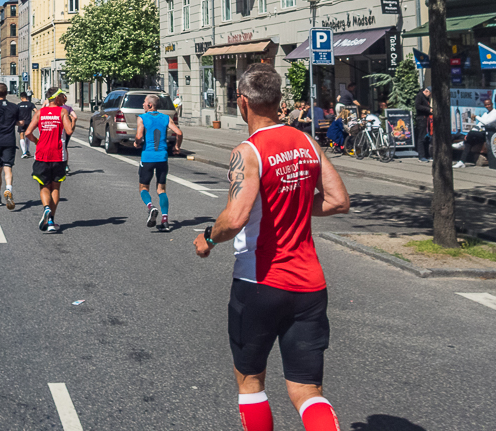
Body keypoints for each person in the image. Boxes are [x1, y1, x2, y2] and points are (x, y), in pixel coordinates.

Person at [193, 65, 349, 431]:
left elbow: (235, 219)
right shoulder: (307, 141)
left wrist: (208, 239)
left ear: (242, 102)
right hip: (310, 286)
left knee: (250, 383)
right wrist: (293, 201)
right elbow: (339, 201)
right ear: (279, 102)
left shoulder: (248, 152)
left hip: (260, 283)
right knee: (307, 390)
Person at [24, 87, 74, 232]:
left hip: (42, 153)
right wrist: (73, 120)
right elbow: (69, 131)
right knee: (55, 187)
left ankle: (46, 208)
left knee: (44, 186)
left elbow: (27, 132)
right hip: (58, 154)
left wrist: (36, 141)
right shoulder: (62, 112)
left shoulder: (40, 113)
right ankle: (51, 220)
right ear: (57, 99)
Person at [135, 94, 180, 231]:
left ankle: (151, 207)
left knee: (143, 187)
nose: (142, 104)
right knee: (161, 190)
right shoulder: (166, 118)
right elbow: (179, 132)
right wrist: (177, 147)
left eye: (144, 102)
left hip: (148, 157)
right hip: (162, 158)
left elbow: (139, 136)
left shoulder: (142, 118)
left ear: (150, 105)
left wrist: (136, 143)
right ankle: (165, 220)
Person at [455, 96, 496, 168]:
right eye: (486, 105)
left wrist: (476, 116)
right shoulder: (486, 113)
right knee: (469, 142)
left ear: (492, 104)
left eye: (489, 104)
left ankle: (462, 143)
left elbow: (486, 122)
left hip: (490, 135)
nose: (487, 106)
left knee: (471, 135)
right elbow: (480, 124)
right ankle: (462, 162)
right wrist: (473, 130)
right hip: (482, 133)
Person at [15, 90, 36, 159]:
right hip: (29, 122)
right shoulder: (31, 104)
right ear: (27, 97)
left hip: (21, 122)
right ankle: (27, 150)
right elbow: (36, 111)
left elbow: (15, 113)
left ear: (21, 97)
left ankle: (24, 152)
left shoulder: (18, 105)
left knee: (21, 135)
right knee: (27, 135)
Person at [414, 86, 432, 163]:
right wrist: (428, 109)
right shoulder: (420, 96)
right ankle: (421, 156)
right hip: (421, 119)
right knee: (421, 137)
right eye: (430, 94)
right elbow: (417, 106)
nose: (430, 96)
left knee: (426, 137)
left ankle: (427, 155)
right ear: (426, 91)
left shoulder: (426, 97)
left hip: (426, 119)